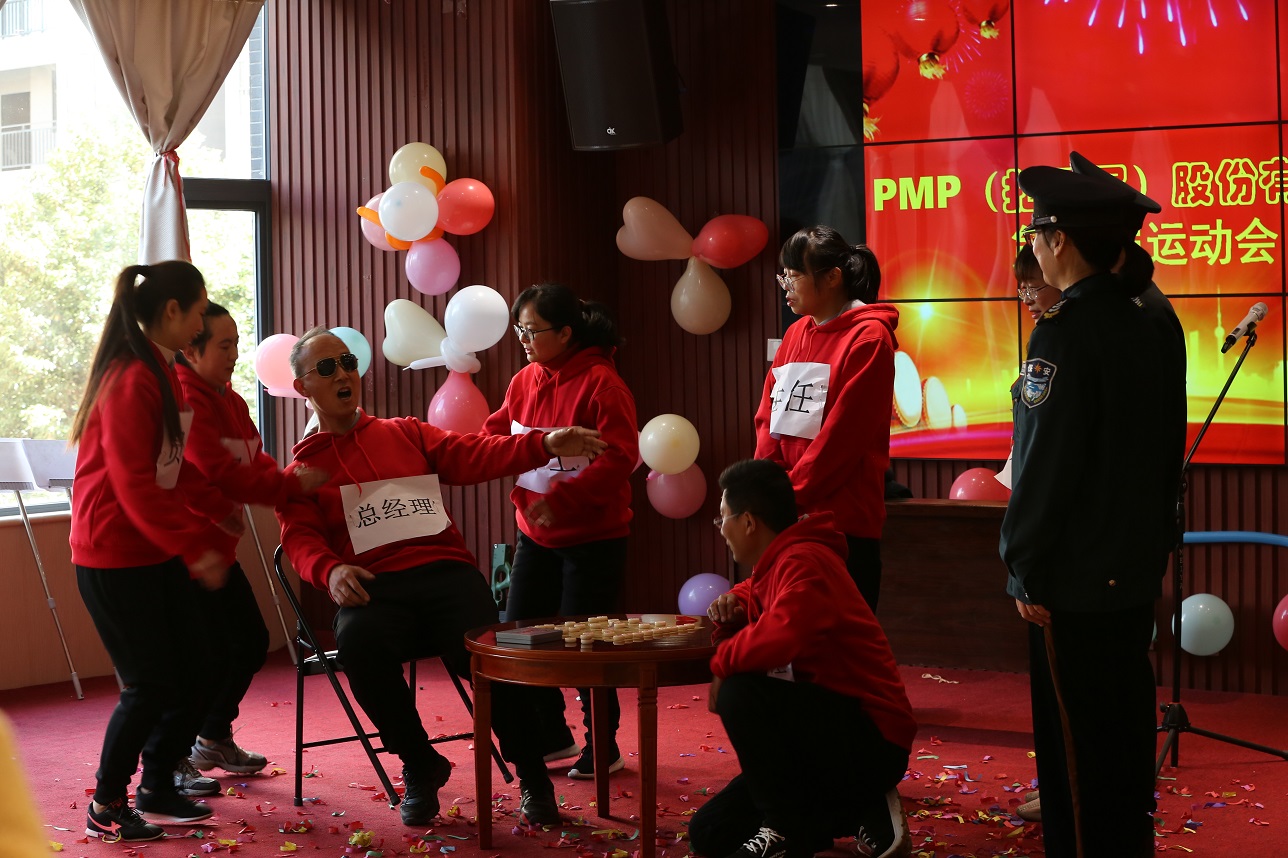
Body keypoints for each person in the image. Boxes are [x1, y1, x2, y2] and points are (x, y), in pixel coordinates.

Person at [276, 328, 607, 828]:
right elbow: (300, 541)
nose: (343, 373)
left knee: (491, 655)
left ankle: (533, 775)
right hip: (375, 588)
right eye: (327, 368)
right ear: (303, 387)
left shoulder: (405, 432)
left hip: (445, 575)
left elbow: (477, 453)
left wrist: (543, 444)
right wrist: (331, 568)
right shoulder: (301, 472)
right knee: (358, 642)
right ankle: (419, 762)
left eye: (347, 362)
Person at [1002, 163, 1187, 858]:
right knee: (1123, 743)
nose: (1034, 245)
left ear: (1060, 240)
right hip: (1131, 567)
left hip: (1072, 579)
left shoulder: (1066, 330)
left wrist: (1022, 561)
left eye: (1037, 233)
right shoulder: (1152, 316)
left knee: (1076, 761)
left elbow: (1047, 464)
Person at [70, 262, 238, 841]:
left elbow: (172, 465)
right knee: (149, 684)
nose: (201, 323)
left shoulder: (160, 368)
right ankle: (106, 803)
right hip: (111, 554)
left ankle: (159, 784)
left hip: (151, 551)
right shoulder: (131, 377)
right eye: (199, 312)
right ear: (172, 311)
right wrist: (194, 546)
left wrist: (211, 512)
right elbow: (134, 486)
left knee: (200, 665)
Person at [691, 459, 915, 858]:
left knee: (741, 691)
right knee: (710, 832)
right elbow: (755, 589)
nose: (721, 529)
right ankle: (857, 808)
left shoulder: (806, 559)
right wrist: (733, 603)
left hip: (871, 740)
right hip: (822, 736)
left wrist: (723, 664)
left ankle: (786, 830)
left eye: (723, 518)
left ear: (748, 522)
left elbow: (786, 634)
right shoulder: (779, 561)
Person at [482, 283, 639, 780]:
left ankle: (604, 746)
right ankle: (551, 735)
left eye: (533, 331)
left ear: (567, 333)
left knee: (584, 645)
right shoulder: (523, 380)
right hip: (535, 533)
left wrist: (565, 499)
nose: (523, 340)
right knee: (521, 635)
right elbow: (495, 433)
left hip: (594, 537)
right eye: (519, 330)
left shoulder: (602, 384)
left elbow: (622, 457)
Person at [175, 303, 328, 789]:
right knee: (195, 659)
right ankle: (170, 761)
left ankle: (211, 738)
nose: (235, 355)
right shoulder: (182, 398)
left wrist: (285, 481)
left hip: (219, 552)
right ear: (190, 348)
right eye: (224, 345)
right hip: (183, 553)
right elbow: (212, 472)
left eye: (237, 343)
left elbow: (254, 461)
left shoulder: (232, 400)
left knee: (247, 642)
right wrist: (288, 487)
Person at [754, 225, 899, 610]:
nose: (786, 286)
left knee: (838, 639)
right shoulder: (795, 333)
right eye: (783, 276)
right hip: (787, 512)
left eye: (794, 275)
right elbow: (768, 417)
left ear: (832, 277)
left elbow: (843, 438)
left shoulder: (869, 338)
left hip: (842, 521)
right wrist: (766, 487)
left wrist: (788, 495)